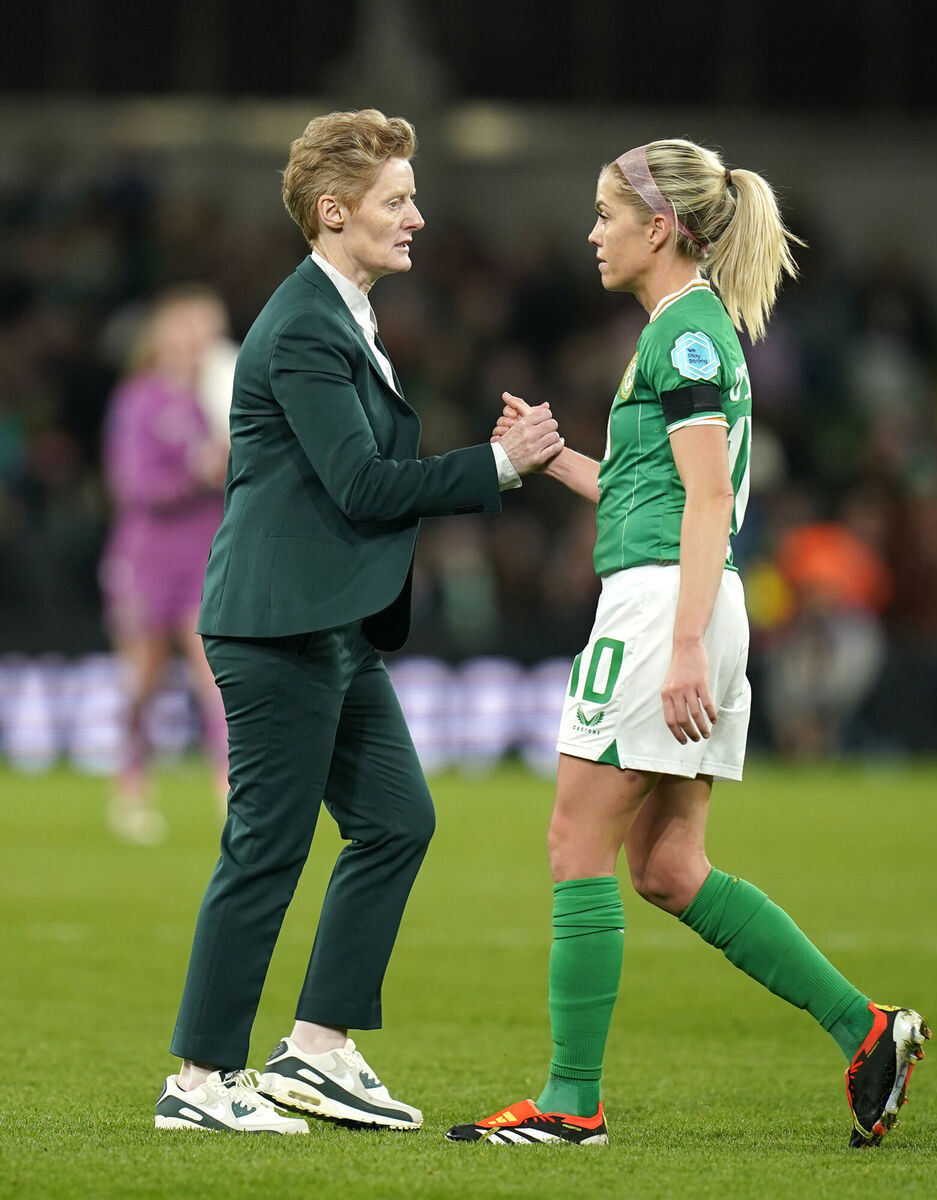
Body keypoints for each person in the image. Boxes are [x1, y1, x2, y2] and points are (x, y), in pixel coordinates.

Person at [446, 139, 931, 1149]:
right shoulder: (680, 330)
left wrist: (675, 647)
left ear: (655, 227)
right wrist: (553, 459)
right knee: (667, 867)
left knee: (572, 842)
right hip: (689, 600)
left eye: (603, 215)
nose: (591, 232)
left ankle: (569, 1102)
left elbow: (708, 498)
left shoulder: (686, 336)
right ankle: (866, 1028)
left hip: (665, 608)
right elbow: (655, 493)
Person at [154, 109, 563, 1134]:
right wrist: (498, 468)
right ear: (333, 213)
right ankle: (198, 1083)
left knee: (396, 821)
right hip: (279, 626)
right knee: (266, 850)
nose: (417, 216)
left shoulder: (333, 312)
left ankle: (320, 1050)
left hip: (329, 624)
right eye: (396, 200)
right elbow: (358, 483)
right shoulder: (301, 323)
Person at [100, 285, 231, 845]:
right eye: (190, 329)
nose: (200, 342)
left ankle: (230, 800)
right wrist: (198, 472)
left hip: (205, 558)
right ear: (164, 336)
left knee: (217, 684)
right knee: (143, 683)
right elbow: (132, 485)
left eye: (209, 331)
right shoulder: (139, 401)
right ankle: (130, 786)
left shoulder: (221, 398)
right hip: (146, 560)